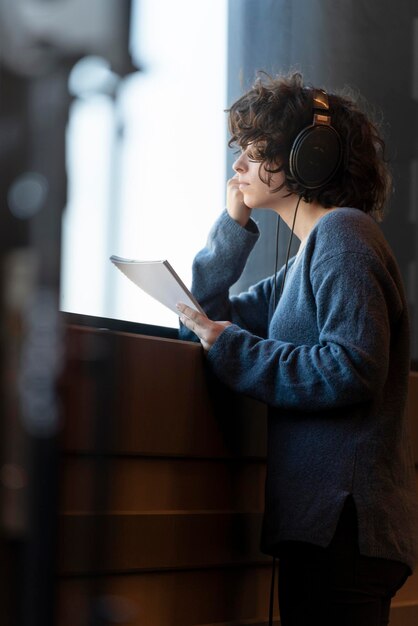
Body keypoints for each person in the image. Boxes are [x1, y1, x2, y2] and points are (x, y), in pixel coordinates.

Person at [177, 72, 418, 626]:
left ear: (309, 160)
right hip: (325, 526)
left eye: (255, 151)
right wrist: (233, 225)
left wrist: (231, 347)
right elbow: (208, 316)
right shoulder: (310, 258)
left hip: (346, 526)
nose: (237, 165)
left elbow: (352, 366)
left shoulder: (345, 236)